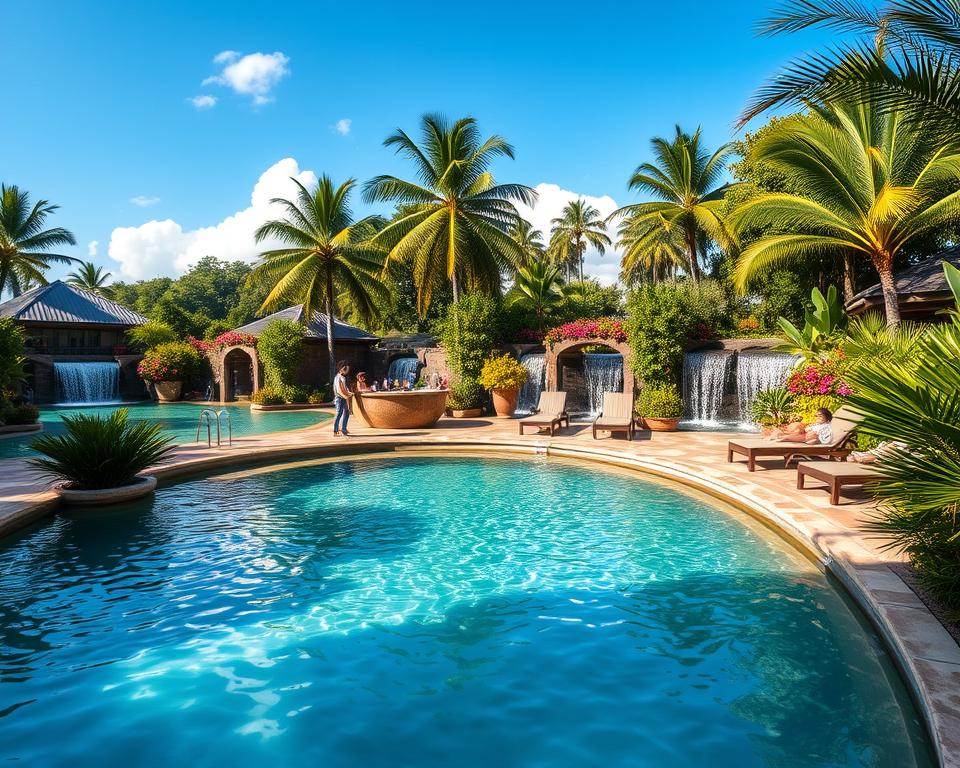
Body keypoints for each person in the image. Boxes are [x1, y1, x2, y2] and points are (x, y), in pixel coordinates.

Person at [769, 407, 833, 444]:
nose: (817, 417)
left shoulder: (826, 426)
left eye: (820, 416)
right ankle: (780, 435)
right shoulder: (818, 424)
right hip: (806, 436)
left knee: (786, 437)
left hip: (810, 437)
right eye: (816, 416)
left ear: (827, 418)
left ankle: (782, 437)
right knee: (796, 430)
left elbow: (822, 437)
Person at [333, 361, 352, 436]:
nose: (347, 371)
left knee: (346, 412)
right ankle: (335, 431)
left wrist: (348, 393)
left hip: (343, 397)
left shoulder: (342, 377)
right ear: (341, 369)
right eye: (346, 369)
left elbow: (344, 388)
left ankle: (343, 429)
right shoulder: (338, 377)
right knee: (338, 414)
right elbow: (339, 390)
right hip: (340, 398)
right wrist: (347, 395)